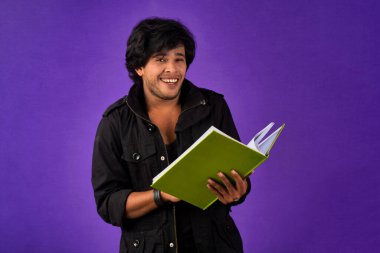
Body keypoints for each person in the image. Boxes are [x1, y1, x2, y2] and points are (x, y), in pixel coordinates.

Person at [92, 17, 251, 253]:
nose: (173, 69)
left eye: (179, 59)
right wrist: (161, 195)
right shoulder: (115, 122)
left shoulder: (214, 106)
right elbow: (108, 204)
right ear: (139, 67)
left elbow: (237, 173)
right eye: (161, 59)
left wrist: (239, 191)